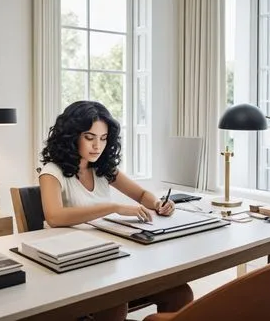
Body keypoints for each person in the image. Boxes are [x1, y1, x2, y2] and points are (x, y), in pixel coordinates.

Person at [39, 101, 193, 321]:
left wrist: (158, 203)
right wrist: (113, 207)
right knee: (114, 302)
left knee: (180, 293)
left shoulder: (102, 168)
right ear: (72, 136)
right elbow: (54, 217)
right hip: (73, 264)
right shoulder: (52, 172)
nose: (97, 146)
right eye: (89, 137)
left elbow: (141, 195)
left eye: (103, 139)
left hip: (108, 255)